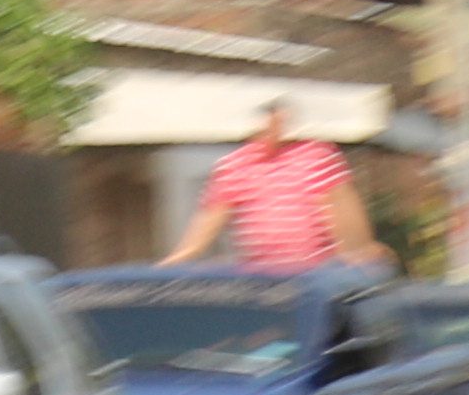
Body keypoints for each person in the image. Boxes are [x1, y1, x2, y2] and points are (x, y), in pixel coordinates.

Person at [165, 99, 388, 271]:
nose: (276, 128)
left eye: (281, 121)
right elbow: (206, 226)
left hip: (318, 273)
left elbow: (343, 208)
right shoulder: (234, 167)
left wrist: (360, 252)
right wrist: (171, 265)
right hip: (266, 279)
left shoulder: (315, 155)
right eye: (271, 121)